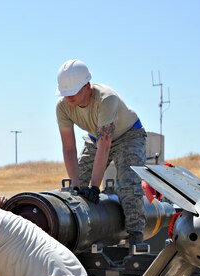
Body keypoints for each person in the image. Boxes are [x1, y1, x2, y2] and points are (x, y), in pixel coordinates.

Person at [55, 58, 148, 252]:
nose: (69, 99)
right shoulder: (62, 107)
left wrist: (95, 187)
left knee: (129, 186)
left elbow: (105, 144)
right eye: (66, 94)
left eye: (73, 93)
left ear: (87, 87)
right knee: (74, 189)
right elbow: (69, 148)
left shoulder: (107, 99)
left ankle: (135, 239)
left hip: (128, 136)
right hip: (96, 137)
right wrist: (77, 185)